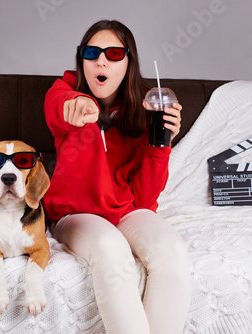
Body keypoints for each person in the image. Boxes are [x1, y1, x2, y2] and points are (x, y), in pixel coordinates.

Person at [43, 20, 191, 334]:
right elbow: (59, 108)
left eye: (113, 53)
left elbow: (145, 199)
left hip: (125, 210)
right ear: (81, 59)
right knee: (111, 248)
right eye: (91, 52)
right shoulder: (65, 93)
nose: (101, 61)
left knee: (173, 252)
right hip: (75, 213)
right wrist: (78, 104)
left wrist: (160, 145)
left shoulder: (146, 107)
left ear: (128, 62)